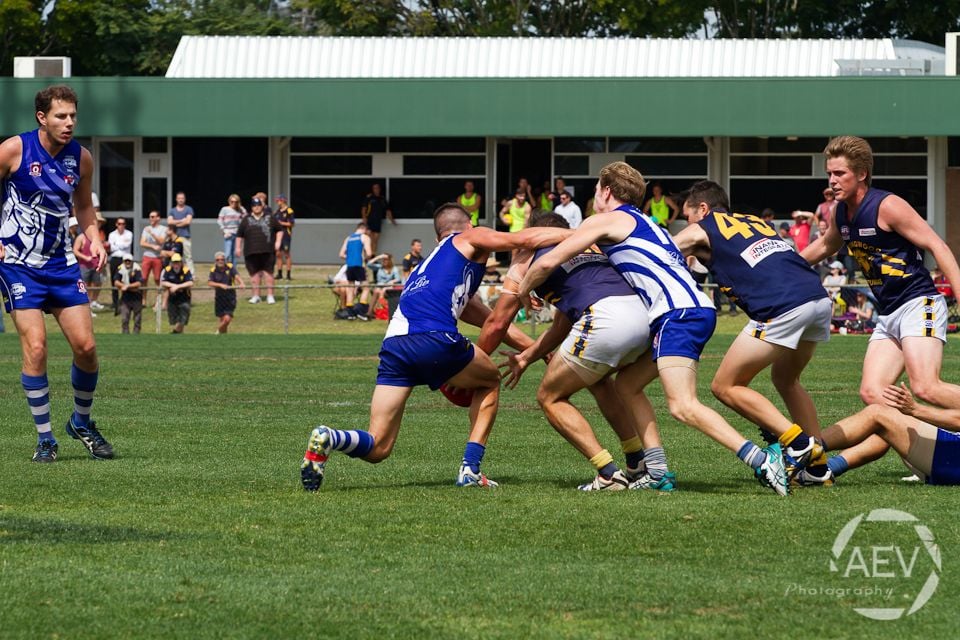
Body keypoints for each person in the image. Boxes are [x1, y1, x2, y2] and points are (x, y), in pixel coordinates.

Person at [517, 161, 788, 495]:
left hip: (678, 313)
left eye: (596, 193)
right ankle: (657, 471)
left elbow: (547, 261)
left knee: (683, 405)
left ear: (606, 191)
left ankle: (761, 459)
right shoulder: (650, 223)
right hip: (691, 309)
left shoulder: (605, 220)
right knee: (627, 385)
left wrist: (521, 290)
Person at [299, 202, 572, 491]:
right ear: (467, 226)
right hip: (433, 339)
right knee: (491, 379)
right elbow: (523, 239)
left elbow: (489, 319)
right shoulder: (469, 237)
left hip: (394, 346)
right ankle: (470, 469)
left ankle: (329, 437)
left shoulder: (427, 268)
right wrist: (586, 233)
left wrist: (538, 348)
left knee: (379, 446)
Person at [490, 213, 670, 491]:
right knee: (598, 379)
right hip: (645, 319)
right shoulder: (592, 245)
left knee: (550, 397)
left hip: (606, 318)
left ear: (536, 233)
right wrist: (527, 356)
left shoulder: (532, 255)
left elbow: (499, 321)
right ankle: (637, 461)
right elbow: (563, 324)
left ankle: (609, 474)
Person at [673, 180, 834, 486]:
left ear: (703, 209)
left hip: (782, 305)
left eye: (688, 215)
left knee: (724, 386)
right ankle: (818, 468)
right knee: (786, 380)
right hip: (816, 298)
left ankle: (797, 444)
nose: (688, 223)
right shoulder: (755, 221)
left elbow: (660, 250)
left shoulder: (704, 226)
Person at [801, 135, 960, 410]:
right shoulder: (840, 213)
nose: (832, 180)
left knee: (925, 387)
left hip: (917, 303)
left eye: (840, 173)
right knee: (874, 393)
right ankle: (930, 449)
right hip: (888, 312)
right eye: (829, 174)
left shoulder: (887, 206)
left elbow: (938, 245)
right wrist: (780, 266)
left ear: (862, 173)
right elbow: (826, 245)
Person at [0, 84, 113, 462]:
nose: (69, 123)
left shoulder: (81, 158)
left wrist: (93, 237)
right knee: (36, 346)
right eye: (61, 116)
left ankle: (80, 422)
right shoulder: (13, 150)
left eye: (73, 116)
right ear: (41, 117)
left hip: (61, 264)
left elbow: (83, 207)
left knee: (87, 347)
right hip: (18, 264)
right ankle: (45, 438)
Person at [818, 383, 960, 485]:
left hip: (953, 460)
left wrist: (916, 410)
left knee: (877, 414)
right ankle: (823, 469)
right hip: (950, 459)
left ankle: (804, 450)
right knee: (887, 423)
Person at [235, 196, 281, 305]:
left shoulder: (270, 217)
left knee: (268, 274)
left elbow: (279, 230)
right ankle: (256, 296)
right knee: (254, 275)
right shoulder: (246, 219)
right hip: (251, 251)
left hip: (267, 250)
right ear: (251, 207)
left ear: (262, 206)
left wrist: (278, 242)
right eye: (254, 206)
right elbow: (239, 235)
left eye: (258, 205)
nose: (256, 207)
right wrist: (237, 247)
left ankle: (270, 296)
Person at [338, 221, 372, 320]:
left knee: (350, 288)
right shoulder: (364, 237)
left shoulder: (348, 238)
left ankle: (350, 313)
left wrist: (350, 258)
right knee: (366, 287)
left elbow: (341, 254)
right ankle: (361, 311)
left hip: (349, 266)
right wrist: (364, 258)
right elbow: (369, 253)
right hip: (359, 265)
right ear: (365, 229)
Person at [208, 251, 245, 334]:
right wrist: (220, 285)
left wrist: (241, 283)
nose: (220, 261)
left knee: (227, 319)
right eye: (218, 260)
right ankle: (223, 339)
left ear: (225, 260)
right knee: (222, 320)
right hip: (219, 297)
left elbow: (236, 276)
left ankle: (216, 333)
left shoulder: (230, 267)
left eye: (222, 259)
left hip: (230, 297)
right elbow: (210, 282)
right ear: (215, 261)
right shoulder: (213, 270)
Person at [74, 218, 105, 313]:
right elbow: (75, 250)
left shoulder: (99, 236)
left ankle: (93, 302)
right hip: (84, 266)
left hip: (96, 265)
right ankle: (86, 307)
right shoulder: (81, 237)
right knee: (84, 287)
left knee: (97, 283)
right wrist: (85, 257)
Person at [139, 210, 166, 308]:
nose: (151, 219)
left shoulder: (163, 229)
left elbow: (161, 241)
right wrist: (153, 246)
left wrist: (152, 234)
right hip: (147, 256)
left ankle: (158, 301)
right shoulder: (146, 229)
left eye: (153, 217)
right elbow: (142, 243)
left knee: (157, 279)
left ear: (158, 218)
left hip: (157, 258)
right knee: (144, 279)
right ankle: (143, 301)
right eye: (150, 217)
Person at [106, 217, 133, 314]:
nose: (121, 225)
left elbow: (127, 245)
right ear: (116, 224)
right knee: (114, 280)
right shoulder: (112, 234)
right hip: (114, 258)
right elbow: (111, 248)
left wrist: (116, 244)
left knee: (125, 279)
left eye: (123, 224)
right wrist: (119, 245)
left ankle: (126, 301)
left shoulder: (129, 233)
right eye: (119, 223)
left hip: (125, 259)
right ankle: (115, 302)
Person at [161, 254, 193, 333]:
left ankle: (174, 333)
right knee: (173, 320)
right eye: (174, 262)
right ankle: (177, 334)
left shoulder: (185, 270)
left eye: (178, 262)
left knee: (183, 319)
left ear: (181, 262)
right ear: (171, 263)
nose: (176, 264)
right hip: (172, 299)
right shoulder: (167, 270)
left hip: (184, 298)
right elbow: (163, 282)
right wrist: (173, 285)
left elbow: (190, 283)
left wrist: (178, 287)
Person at [361, 183, 395, 255]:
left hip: (378, 222)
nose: (376, 189)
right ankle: (366, 257)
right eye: (374, 188)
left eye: (377, 188)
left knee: (375, 241)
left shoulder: (382, 199)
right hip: (369, 222)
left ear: (379, 189)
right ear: (373, 189)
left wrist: (392, 220)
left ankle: (372, 257)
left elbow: (387, 210)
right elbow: (364, 209)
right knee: (369, 240)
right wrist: (364, 219)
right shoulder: (369, 198)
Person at [113, 253, 143, 334]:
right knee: (125, 318)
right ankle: (125, 334)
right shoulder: (120, 268)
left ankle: (136, 335)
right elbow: (116, 282)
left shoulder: (137, 268)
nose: (127, 263)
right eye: (126, 261)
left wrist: (127, 287)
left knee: (137, 318)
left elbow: (139, 283)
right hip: (125, 297)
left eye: (129, 261)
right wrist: (124, 286)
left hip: (137, 296)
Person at [167, 191, 194, 270]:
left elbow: (188, 221)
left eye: (182, 198)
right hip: (174, 237)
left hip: (185, 236)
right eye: (179, 198)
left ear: (185, 199)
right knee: (174, 256)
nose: (181, 200)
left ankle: (191, 275)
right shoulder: (172, 210)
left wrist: (175, 223)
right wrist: (182, 220)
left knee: (188, 256)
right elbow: (169, 222)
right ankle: (171, 272)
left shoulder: (189, 209)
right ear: (176, 199)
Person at [217, 194, 245, 266]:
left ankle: (233, 271)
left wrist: (241, 208)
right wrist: (224, 231)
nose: (233, 203)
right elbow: (220, 220)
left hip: (237, 233)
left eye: (236, 202)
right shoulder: (225, 209)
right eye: (232, 201)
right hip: (228, 233)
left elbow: (245, 219)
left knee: (234, 254)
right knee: (228, 253)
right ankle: (225, 268)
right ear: (229, 201)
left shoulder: (240, 209)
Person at [274, 194, 295, 280]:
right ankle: (279, 273)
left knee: (286, 254)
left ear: (283, 201)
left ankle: (288, 274)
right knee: (278, 254)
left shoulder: (289, 211)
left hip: (286, 235)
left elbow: (292, 224)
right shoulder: (277, 211)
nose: (277, 202)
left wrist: (281, 223)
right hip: (278, 235)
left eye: (278, 200)